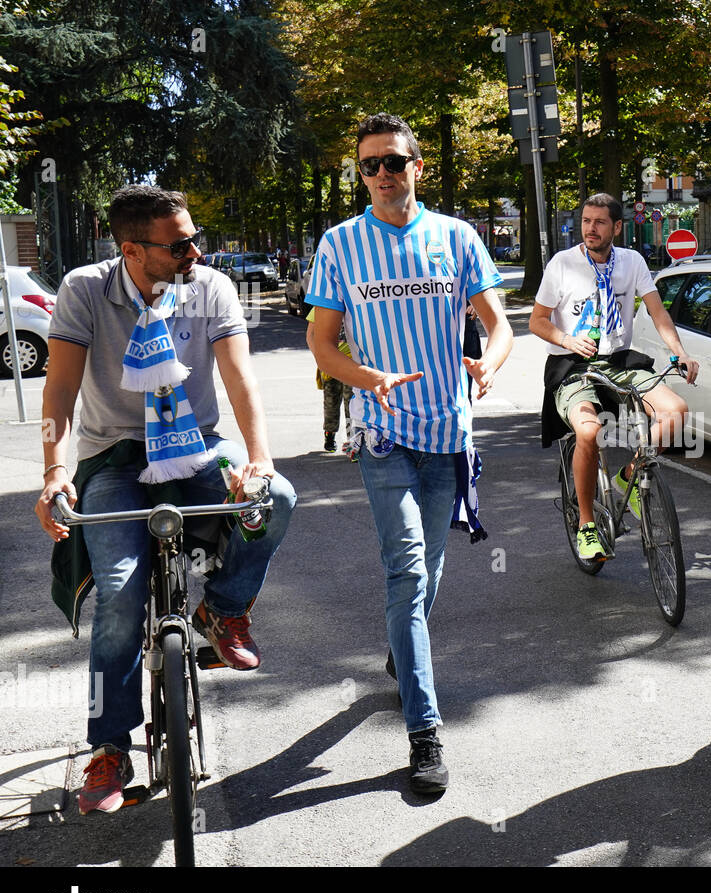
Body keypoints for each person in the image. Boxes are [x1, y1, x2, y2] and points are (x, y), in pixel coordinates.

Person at [35, 184, 297, 815]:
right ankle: (108, 748)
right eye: (179, 244)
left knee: (281, 498)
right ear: (132, 249)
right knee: (121, 595)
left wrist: (257, 462)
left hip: (198, 446)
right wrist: (53, 472)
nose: (195, 250)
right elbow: (60, 389)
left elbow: (239, 378)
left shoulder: (210, 286)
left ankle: (222, 610)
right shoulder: (84, 290)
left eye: (194, 237)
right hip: (117, 459)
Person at [305, 112, 512, 796]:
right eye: (371, 165)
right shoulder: (338, 246)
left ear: (418, 166)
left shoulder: (457, 238)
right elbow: (323, 344)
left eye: (395, 161)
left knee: (428, 574)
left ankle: (404, 650)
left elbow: (497, 324)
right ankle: (425, 734)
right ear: (359, 175)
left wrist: (489, 366)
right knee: (406, 571)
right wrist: (367, 379)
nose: (384, 174)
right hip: (382, 434)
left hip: (449, 433)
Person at [530, 193, 699, 560]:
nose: (590, 228)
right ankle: (587, 526)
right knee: (588, 432)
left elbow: (658, 313)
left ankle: (629, 475)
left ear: (617, 227)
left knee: (677, 412)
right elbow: (537, 322)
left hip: (619, 361)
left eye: (600, 222)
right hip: (572, 365)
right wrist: (567, 339)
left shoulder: (632, 261)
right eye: (586, 221)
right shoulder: (562, 264)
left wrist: (679, 352)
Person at [305, 306, 353, 452]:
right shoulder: (320, 307)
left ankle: (353, 441)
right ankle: (330, 435)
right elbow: (310, 335)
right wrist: (320, 359)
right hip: (330, 363)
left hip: (352, 363)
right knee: (331, 402)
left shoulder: (353, 303)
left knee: (351, 404)